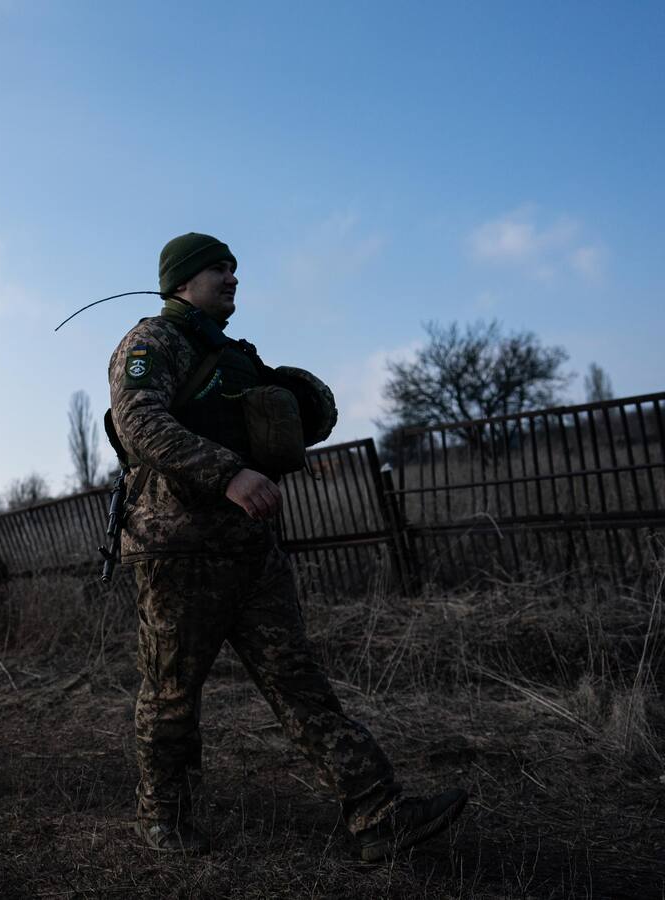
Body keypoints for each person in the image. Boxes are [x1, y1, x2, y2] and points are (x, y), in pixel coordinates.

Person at [107, 232, 466, 861]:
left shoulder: (237, 355)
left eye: (235, 267)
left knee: (299, 681)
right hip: (179, 552)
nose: (232, 277)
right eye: (218, 268)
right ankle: (161, 817)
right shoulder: (150, 341)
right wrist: (229, 473)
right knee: (171, 691)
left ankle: (377, 813)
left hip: (250, 549)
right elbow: (139, 422)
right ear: (182, 280)